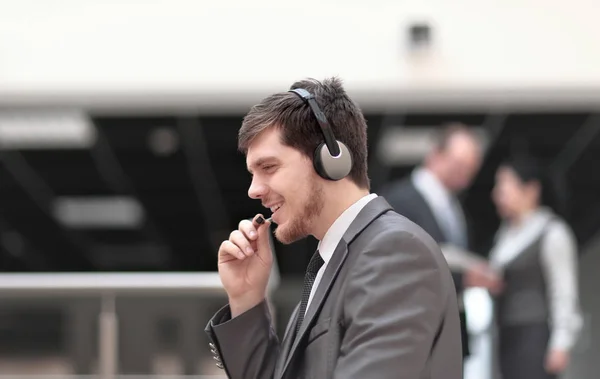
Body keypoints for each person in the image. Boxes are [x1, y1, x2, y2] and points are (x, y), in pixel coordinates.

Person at [204, 77, 463, 379]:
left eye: (269, 167)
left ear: (330, 159)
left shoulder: (395, 253)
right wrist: (246, 299)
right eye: (252, 173)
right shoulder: (334, 266)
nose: (253, 190)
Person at [382, 124, 503, 364]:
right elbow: (397, 266)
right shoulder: (395, 200)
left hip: (448, 332)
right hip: (412, 331)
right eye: (460, 165)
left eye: (471, 169)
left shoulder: (458, 210)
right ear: (435, 155)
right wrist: (463, 278)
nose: (465, 176)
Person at [489, 156, 582, 379]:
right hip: (507, 336)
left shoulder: (551, 231)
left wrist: (561, 343)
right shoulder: (504, 236)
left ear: (531, 190)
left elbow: (563, 290)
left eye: (504, 184)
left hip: (535, 337)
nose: (497, 193)